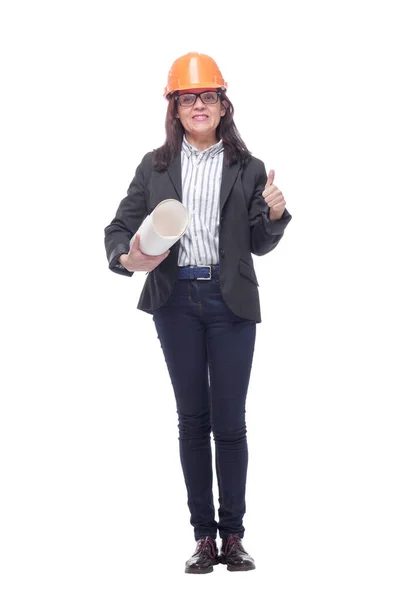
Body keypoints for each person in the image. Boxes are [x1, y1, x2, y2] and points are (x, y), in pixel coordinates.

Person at [104, 52, 292, 574]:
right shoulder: (155, 165)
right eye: (189, 98)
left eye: (208, 96)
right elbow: (119, 226)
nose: (199, 105)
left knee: (230, 424)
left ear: (223, 104)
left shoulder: (248, 168)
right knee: (193, 421)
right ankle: (203, 539)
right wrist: (125, 256)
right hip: (175, 302)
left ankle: (234, 536)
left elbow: (257, 242)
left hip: (230, 302)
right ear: (176, 109)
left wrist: (275, 212)